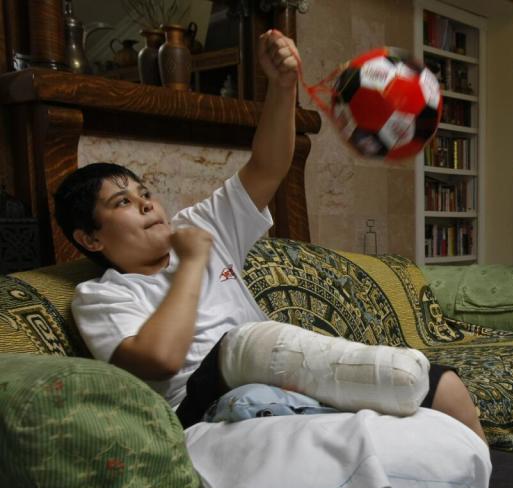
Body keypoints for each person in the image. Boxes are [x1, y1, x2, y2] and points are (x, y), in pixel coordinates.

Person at [52, 29, 486, 444]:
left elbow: (268, 167)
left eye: (145, 192)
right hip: (202, 406)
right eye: (123, 202)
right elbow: (162, 361)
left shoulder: (201, 223)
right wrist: (191, 264)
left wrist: (281, 87)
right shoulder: (101, 297)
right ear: (91, 238)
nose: (148, 204)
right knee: (248, 346)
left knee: (443, 388)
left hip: (275, 378)